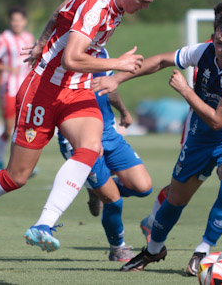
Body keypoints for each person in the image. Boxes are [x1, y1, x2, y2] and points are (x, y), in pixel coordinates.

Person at [0, 0, 165, 266]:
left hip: (77, 91)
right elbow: (71, 59)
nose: (144, 7)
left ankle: (44, 225)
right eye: (142, 1)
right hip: (43, 91)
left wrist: (42, 42)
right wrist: (117, 64)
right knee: (16, 177)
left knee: (91, 146)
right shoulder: (97, 6)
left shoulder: (113, 0)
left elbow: (61, 8)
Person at [92, 13, 222, 275]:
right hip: (200, 139)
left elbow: (218, 121)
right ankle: (154, 249)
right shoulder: (203, 52)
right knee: (175, 200)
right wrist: (117, 78)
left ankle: (203, 251)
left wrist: (185, 90)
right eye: (219, 43)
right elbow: (160, 61)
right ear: (213, 39)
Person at [139, 1, 222, 241]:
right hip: (201, 123)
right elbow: (169, 62)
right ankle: (152, 222)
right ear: (215, 28)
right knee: (182, 188)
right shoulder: (206, 51)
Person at [57, 47, 153, 262]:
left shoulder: (103, 50)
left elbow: (109, 86)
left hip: (108, 131)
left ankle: (95, 189)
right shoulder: (65, 54)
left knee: (143, 187)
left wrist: (124, 110)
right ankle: (117, 247)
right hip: (80, 136)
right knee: (113, 200)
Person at [0, 7, 35, 169]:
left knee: (27, 127)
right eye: (13, 20)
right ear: (10, 22)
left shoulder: (29, 38)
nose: (16, 23)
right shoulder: (3, 39)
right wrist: (7, 69)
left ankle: (24, 163)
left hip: (27, 88)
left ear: (24, 22)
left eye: (19, 20)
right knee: (9, 129)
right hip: (9, 88)